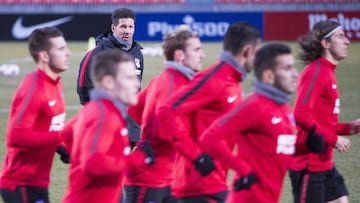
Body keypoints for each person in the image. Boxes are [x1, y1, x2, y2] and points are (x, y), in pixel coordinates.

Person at [156, 22, 261, 203]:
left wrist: (241, 168)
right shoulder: (215, 78)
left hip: (215, 182)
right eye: (257, 52)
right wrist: (197, 157)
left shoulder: (232, 81)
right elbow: (166, 111)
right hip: (198, 185)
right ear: (247, 51)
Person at [200, 43, 299, 203]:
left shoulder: (283, 106)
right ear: (269, 76)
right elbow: (210, 137)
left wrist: (308, 145)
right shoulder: (254, 105)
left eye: (293, 68)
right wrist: (243, 170)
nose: (295, 74)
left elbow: (279, 147)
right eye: (287, 69)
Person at [123, 25, 205, 203]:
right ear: (180, 56)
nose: (202, 55)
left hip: (167, 177)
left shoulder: (170, 79)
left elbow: (134, 109)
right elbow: (165, 127)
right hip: (148, 179)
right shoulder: (172, 85)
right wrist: (196, 154)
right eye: (197, 50)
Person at [62, 49, 154, 203]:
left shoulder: (98, 109)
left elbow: (66, 134)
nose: (137, 84)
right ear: (109, 82)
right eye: (129, 78)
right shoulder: (105, 116)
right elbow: (93, 163)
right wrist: (138, 158)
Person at [289, 20, 360, 203]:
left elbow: (324, 123)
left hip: (323, 163)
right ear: (326, 44)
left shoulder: (327, 71)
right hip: (308, 165)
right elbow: (300, 114)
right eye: (340, 36)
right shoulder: (317, 71)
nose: (347, 41)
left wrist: (350, 128)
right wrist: (334, 139)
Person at [0, 27, 71, 203]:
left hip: (37, 182)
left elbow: (47, 127)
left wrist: (63, 148)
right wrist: (58, 138)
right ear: (44, 56)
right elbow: (16, 137)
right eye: (61, 49)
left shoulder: (55, 84)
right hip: (20, 183)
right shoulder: (34, 88)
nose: (68, 53)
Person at [76, 7, 143, 146]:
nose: (127, 31)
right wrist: (92, 108)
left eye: (130, 27)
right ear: (113, 28)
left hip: (130, 126)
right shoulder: (98, 53)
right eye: (123, 26)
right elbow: (83, 82)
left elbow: (137, 86)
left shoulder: (138, 54)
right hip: (105, 121)